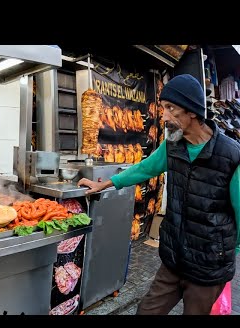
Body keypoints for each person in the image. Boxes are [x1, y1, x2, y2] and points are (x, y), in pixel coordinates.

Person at [78, 74, 240, 315]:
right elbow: (144, 168)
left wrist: (226, 255)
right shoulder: (173, 146)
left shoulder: (231, 155)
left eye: (170, 108)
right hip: (174, 260)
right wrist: (105, 184)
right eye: (163, 108)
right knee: (146, 311)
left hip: (208, 267)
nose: (163, 116)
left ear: (192, 112)